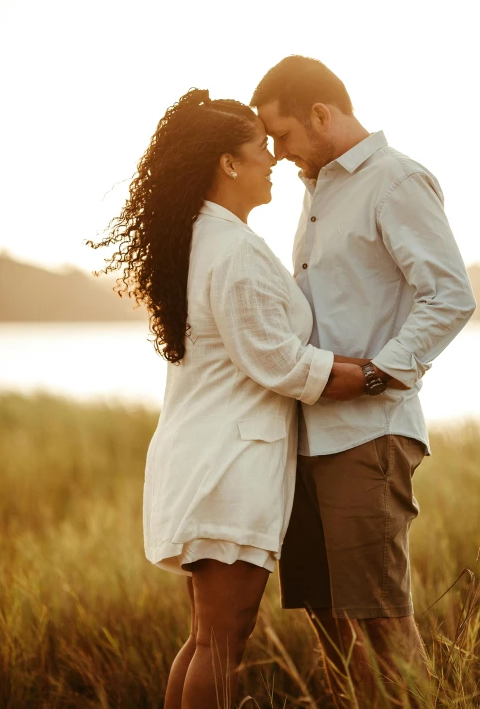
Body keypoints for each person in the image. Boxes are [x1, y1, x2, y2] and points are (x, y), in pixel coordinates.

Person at [88, 89, 403, 709]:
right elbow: (279, 362)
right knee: (223, 642)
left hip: (206, 457)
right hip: (228, 467)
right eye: (260, 148)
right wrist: (377, 373)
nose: (273, 161)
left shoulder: (206, 238)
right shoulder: (229, 249)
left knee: (207, 639)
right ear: (229, 165)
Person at [251, 56, 477, 707]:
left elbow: (450, 295)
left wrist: (379, 373)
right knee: (327, 616)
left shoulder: (395, 180)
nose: (278, 151)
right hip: (308, 439)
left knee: (381, 616)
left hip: (367, 435)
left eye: (284, 134)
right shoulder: (316, 188)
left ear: (322, 114)